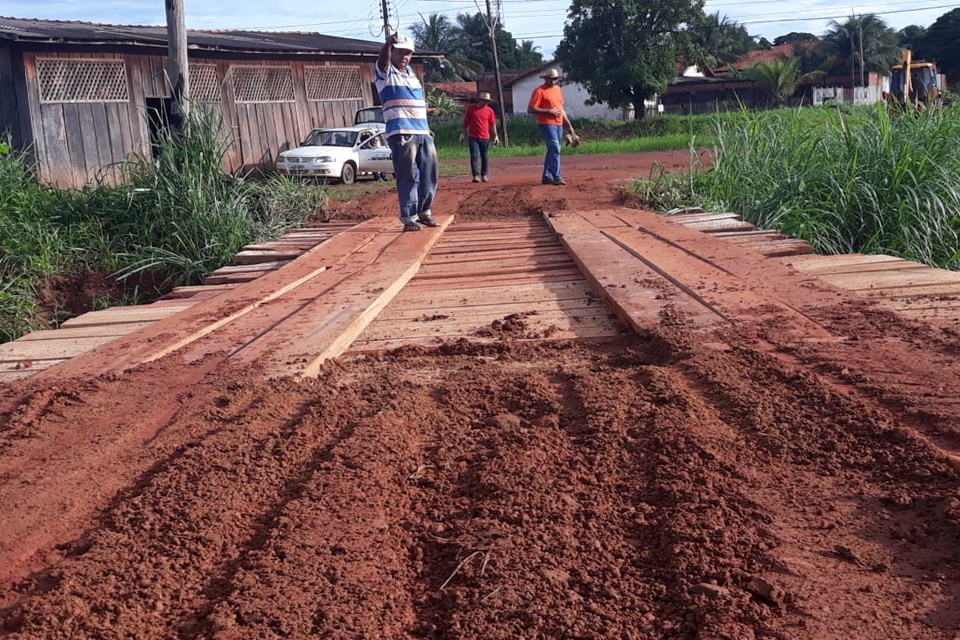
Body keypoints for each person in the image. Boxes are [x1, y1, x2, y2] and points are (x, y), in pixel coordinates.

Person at [374, 33, 439, 232]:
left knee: (430, 172)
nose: (405, 56)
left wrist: (427, 129)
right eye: (401, 52)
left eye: (408, 53)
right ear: (393, 52)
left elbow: (416, 105)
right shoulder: (385, 73)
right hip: (401, 132)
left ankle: (424, 211)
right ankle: (409, 216)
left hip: (422, 132)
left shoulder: (411, 74)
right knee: (408, 175)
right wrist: (388, 44)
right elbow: (382, 61)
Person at [527, 68, 576, 186]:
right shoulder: (539, 91)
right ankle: (557, 176)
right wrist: (548, 111)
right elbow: (530, 109)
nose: (553, 81)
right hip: (546, 123)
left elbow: (561, 109)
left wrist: (569, 125)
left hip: (558, 123)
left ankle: (547, 176)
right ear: (546, 78)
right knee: (555, 149)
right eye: (551, 79)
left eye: (555, 79)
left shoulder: (558, 90)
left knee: (552, 150)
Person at [459, 91, 499, 183]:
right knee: (474, 156)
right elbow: (466, 122)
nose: (485, 103)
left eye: (487, 101)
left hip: (485, 137)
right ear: (480, 100)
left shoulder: (489, 111)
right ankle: (476, 175)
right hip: (473, 137)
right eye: (484, 101)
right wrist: (462, 134)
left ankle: (484, 175)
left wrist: (496, 136)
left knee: (484, 156)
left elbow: (492, 124)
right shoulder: (471, 109)